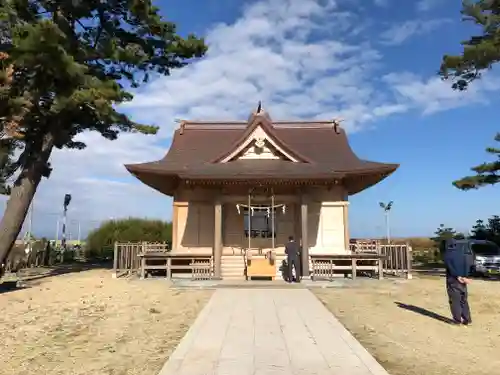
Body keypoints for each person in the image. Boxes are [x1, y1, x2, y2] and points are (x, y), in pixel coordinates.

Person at [443, 240, 472, 326]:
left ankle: (457, 320)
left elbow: (450, 267)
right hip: (463, 280)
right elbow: (468, 265)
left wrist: (457, 276)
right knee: (463, 300)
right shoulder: (463, 254)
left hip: (454, 280)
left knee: (455, 300)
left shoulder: (448, 255)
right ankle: (467, 319)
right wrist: (466, 277)